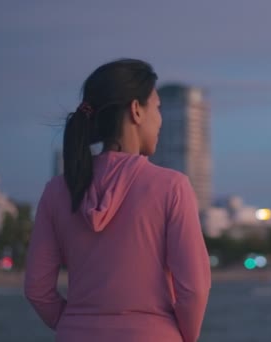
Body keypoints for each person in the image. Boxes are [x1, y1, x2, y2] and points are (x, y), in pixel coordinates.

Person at [24, 58, 211, 342]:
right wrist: (180, 335)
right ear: (136, 110)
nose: (160, 120)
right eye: (157, 108)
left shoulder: (57, 190)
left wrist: (75, 323)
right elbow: (195, 288)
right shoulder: (172, 187)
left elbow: (37, 289)